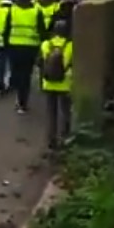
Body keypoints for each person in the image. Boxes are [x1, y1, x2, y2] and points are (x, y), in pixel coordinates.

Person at [39, 20, 74, 150]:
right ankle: (66, 137)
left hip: (48, 84)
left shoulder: (45, 45)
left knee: (51, 113)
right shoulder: (71, 46)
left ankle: (51, 139)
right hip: (65, 83)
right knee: (66, 111)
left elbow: (41, 63)